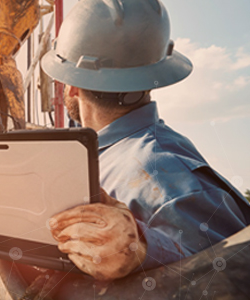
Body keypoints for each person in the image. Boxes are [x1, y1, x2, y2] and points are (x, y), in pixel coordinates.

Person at [40, 0, 250, 281]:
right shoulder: (104, 156)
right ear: (155, 74)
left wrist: (143, 250)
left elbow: (236, 275)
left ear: (71, 85)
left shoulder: (166, 176)